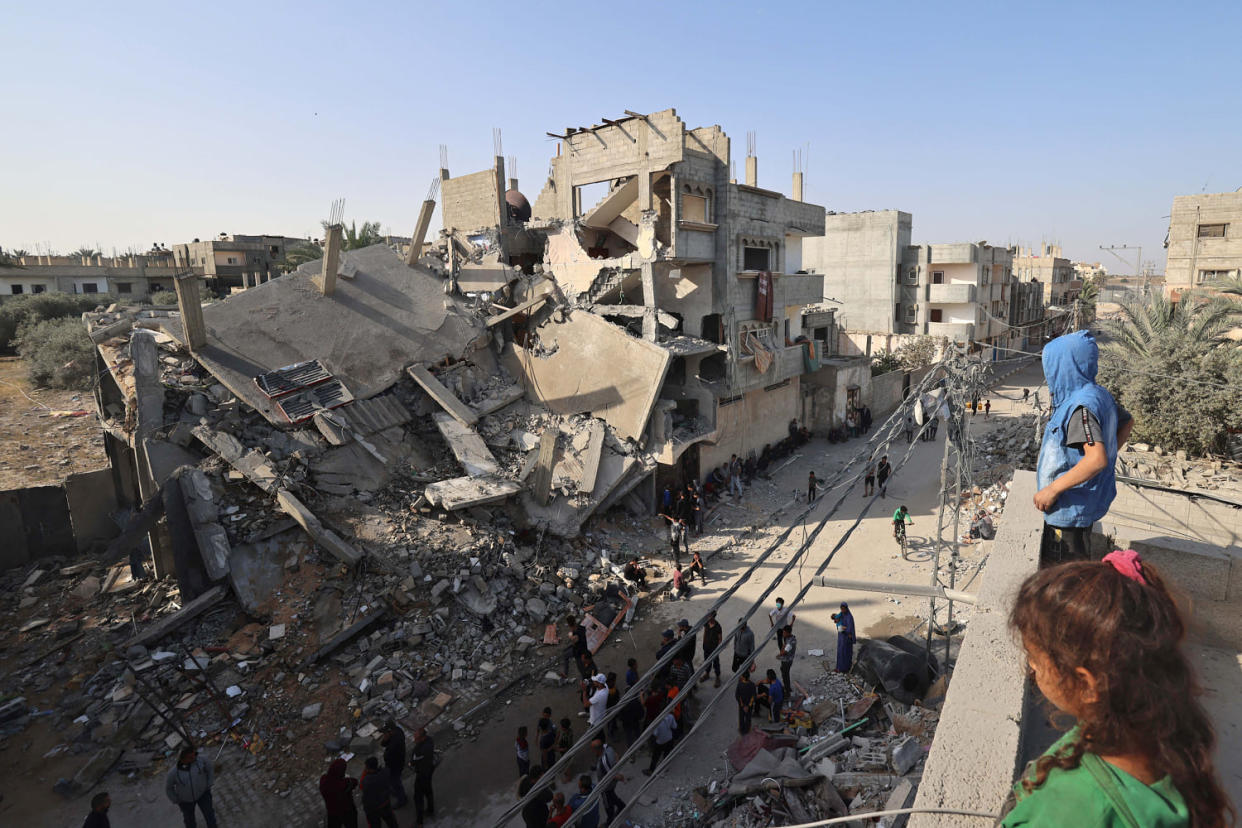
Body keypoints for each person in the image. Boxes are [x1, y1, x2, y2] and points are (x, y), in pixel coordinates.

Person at [1000, 552, 1231, 828]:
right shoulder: (1162, 735)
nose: (1031, 668)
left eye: (1035, 659)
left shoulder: (1072, 810)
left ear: (1087, 684)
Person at [1035, 331, 1133, 564]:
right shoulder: (1097, 394)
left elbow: (1095, 459)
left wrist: (1052, 489)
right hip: (1081, 507)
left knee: (1064, 581)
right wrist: (1108, 453)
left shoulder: (1081, 407)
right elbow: (1127, 422)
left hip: (1068, 514)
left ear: (1064, 366)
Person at [165, 745, 217, 828]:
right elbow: (169, 788)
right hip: (185, 801)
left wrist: (209, 783)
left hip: (203, 795)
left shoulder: (201, 760)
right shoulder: (173, 773)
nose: (194, 758)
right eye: (190, 757)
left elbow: (210, 768)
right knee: (189, 820)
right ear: (183, 758)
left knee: (209, 815)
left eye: (194, 755)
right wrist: (176, 800)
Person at [591, 738, 626, 822]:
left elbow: (612, 775)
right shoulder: (608, 748)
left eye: (592, 749)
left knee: (607, 804)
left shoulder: (603, 761)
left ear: (597, 750)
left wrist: (621, 777)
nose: (591, 751)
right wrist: (617, 762)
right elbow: (614, 752)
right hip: (612, 783)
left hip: (606, 786)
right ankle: (621, 805)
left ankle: (610, 820)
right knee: (612, 795)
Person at [319, 758, 359, 828]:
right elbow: (355, 782)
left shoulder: (323, 780)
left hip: (332, 811)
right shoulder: (344, 783)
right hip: (347, 810)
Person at [360, 756, 399, 828]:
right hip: (385, 802)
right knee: (391, 821)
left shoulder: (368, 780)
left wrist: (364, 772)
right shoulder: (385, 772)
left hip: (373, 808)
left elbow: (361, 786)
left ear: (369, 768)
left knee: (375, 824)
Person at [411, 726, 436, 827]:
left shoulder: (420, 749)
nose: (414, 740)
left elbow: (414, 761)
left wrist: (411, 763)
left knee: (418, 797)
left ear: (422, 738)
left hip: (422, 774)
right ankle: (430, 809)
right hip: (429, 770)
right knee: (428, 791)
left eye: (416, 738)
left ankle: (419, 822)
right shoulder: (429, 741)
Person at [380, 719, 407, 809]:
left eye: (386, 732)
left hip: (395, 765)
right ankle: (396, 792)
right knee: (392, 781)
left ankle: (402, 800)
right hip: (393, 764)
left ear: (390, 731)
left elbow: (387, 755)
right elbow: (383, 744)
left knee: (396, 783)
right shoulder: (397, 731)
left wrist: (386, 739)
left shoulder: (396, 741)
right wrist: (385, 738)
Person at [643, 709, 677, 776]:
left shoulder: (657, 723)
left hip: (660, 742)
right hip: (669, 738)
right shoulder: (671, 716)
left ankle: (651, 770)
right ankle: (665, 766)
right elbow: (674, 726)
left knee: (655, 756)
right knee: (666, 753)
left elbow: (655, 734)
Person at [831, 602, 856, 672]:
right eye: (841, 609)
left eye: (843, 609)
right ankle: (839, 668)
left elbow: (850, 628)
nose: (842, 610)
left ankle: (846, 668)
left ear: (846, 609)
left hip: (847, 638)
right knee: (840, 652)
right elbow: (837, 619)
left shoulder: (849, 617)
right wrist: (836, 621)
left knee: (846, 652)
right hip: (841, 637)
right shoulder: (842, 614)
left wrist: (842, 628)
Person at [701, 610, 723, 687]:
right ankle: (707, 674)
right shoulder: (706, 624)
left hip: (714, 649)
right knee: (707, 662)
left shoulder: (718, 626)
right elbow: (705, 633)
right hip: (706, 647)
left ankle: (717, 677)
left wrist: (718, 649)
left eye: (709, 616)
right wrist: (703, 643)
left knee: (716, 663)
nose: (708, 617)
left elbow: (720, 639)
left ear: (713, 617)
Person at [735, 669, 756, 734]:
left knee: (741, 717)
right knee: (748, 717)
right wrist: (749, 705)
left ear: (743, 677)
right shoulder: (752, 684)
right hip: (749, 706)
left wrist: (742, 705)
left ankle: (741, 730)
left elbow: (737, 695)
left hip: (742, 706)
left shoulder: (739, 684)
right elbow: (753, 696)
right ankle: (747, 730)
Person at [778, 625, 797, 691]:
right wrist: (781, 651)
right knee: (783, 670)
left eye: (784, 633)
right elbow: (784, 645)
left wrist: (779, 655)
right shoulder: (788, 637)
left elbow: (784, 652)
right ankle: (787, 687)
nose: (783, 634)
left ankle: (787, 689)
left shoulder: (790, 643)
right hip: (786, 659)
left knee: (785, 675)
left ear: (788, 633)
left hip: (787, 661)